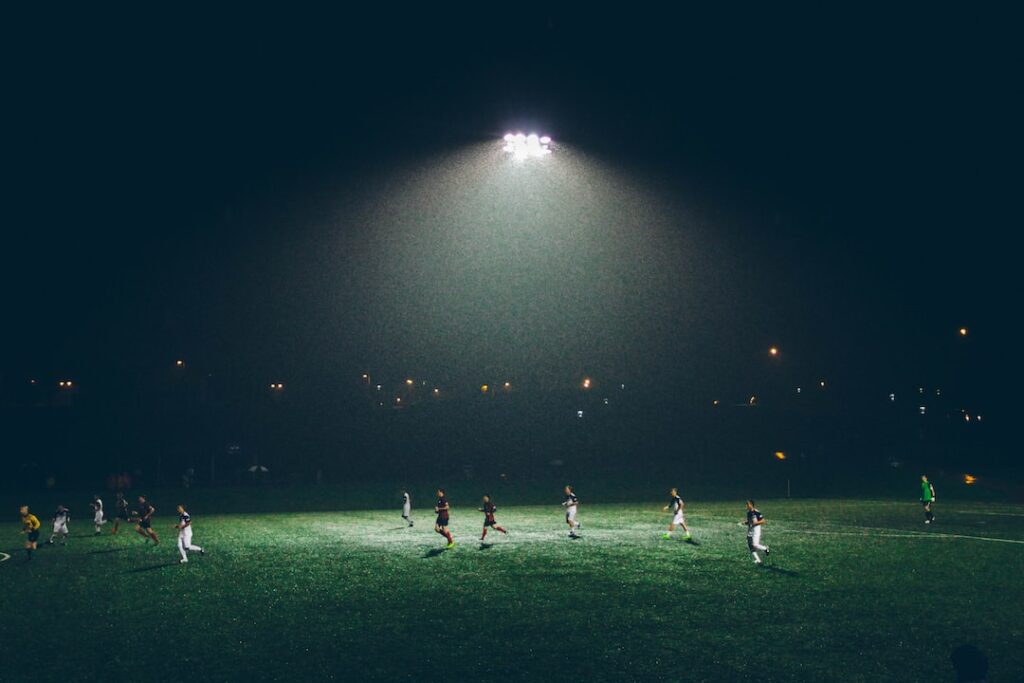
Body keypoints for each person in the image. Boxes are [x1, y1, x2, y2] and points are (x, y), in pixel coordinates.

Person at [745, 500, 770, 564]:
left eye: (748, 504)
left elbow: (763, 521)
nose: (746, 506)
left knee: (755, 545)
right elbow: (750, 522)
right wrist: (745, 523)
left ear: (751, 505)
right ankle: (758, 559)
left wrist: (755, 523)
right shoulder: (748, 513)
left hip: (756, 529)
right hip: (750, 530)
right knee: (750, 545)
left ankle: (765, 548)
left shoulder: (756, 512)